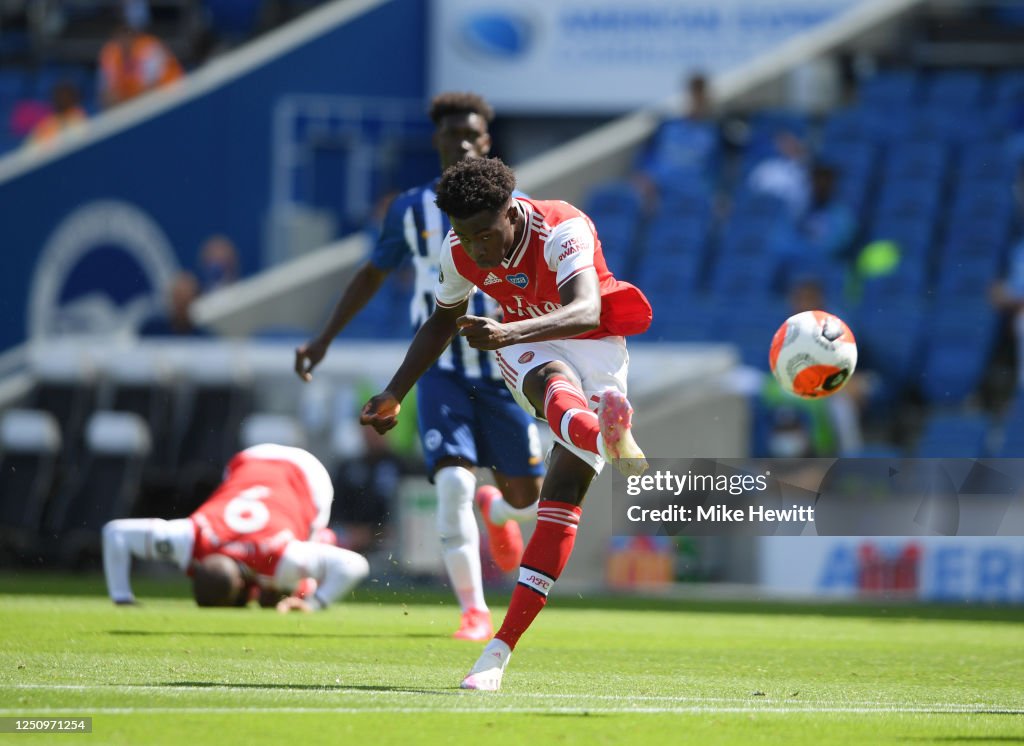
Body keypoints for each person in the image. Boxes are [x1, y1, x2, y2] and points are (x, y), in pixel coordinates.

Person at [359, 157, 652, 691]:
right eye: (465, 236)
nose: (476, 248)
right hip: (528, 349)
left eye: (485, 233)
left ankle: (499, 650)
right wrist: (394, 392)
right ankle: (605, 435)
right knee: (553, 379)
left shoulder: (562, 225)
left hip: (596, 345)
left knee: (557, 500)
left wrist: (508, 330)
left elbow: (585, 309)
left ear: (511, 212)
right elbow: (443, 319)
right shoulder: (458, 252)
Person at [294, 93, 545, 642]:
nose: (461, 142)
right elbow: (372, 273)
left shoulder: (519, 207)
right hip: (441, 370)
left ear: (486, 141)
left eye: (471, 134)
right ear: (436, 141)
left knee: (530, 499)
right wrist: (323, 339)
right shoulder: (410, 209)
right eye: (450, 134)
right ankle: (473, 610)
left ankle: (499, 512)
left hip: (506, 370)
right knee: (452, 483)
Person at [102, 444, 369, 610]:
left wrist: (312, 604)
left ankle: (316, 556)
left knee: (292, 582)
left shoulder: (277, 556)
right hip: (251, 458)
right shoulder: (192, 537)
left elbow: (353, 565)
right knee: (275, 589)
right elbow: (115, 533)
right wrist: (121, 597)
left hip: (309, 477)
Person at [98, 7, 183, 109]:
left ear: (134, 34)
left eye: (126, 33)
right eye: (119, 34)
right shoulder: (111, 53)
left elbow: (151, 88)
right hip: (134, 106)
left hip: (172, 100)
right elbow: (106, 95)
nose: (123, 39)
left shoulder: (149, 47)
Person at [138, 271, 208, 336]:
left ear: (195, 299)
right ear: (171, 298)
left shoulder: (205, 337)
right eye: (178, 297)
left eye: (185, 300)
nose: (181, 304)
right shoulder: (151, 331)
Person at [25, 81, 88, 151]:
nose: (61, 99)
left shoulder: (79, 119)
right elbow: (29, 148)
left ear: (73, 98)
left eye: (65, 96)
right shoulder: (47, 123)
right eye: (59, 96)